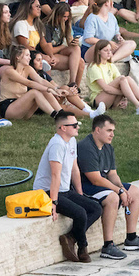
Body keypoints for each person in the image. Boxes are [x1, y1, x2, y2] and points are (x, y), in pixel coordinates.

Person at [78, 114, 139, 259]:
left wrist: (123, 189)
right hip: (86, 187)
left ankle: (131, 238)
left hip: (102, 184)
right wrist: (118, 191)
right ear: (97, 130)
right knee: (112, 198)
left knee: (135, 192)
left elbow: (112, 174)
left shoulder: (108, 147)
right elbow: (95, 179)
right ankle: (108, 245)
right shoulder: (86, 147)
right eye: (109, 130)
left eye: (113, 131)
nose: (112, 134)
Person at [36, 110, 102, 263]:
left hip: (64, 190)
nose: (77, 127)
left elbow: (74, 169)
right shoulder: (57, 145)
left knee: (96, 208)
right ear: (63, 128)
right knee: (80, 213)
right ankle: (83, 248)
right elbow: (55, 175)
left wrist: (79, 194)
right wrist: (53, 202)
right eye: (74, 125)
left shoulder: (71, 141)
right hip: (47, 191)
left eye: (77, 124)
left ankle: (70, 237)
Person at [81, 38, 139, 116]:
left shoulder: (110, 64)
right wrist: (125, 93)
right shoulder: (94, 67)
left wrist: (125, 97)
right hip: (99, 100)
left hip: (111, 97)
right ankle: (138, 106)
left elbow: (123, 83)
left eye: (110, 50)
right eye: (105, 50)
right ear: (98, 52)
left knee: (127, 79)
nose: (109, 53)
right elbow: (106, 88)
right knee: (122, 79)